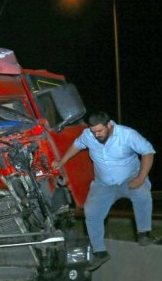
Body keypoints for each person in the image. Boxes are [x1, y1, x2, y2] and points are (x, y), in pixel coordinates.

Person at [53, 111, 155, 270]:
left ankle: (144, 234)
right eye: (94, 131)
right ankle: (100, 253)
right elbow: (76, 145)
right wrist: (61, 161)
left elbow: (148, 152)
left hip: (130, 178)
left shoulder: (126, 134)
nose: (97, 135)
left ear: (109, 125)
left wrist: (141, 178)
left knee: (142, 195)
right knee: (91, 211)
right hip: (104, 184)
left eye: (100, 131)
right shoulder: (88, 134)